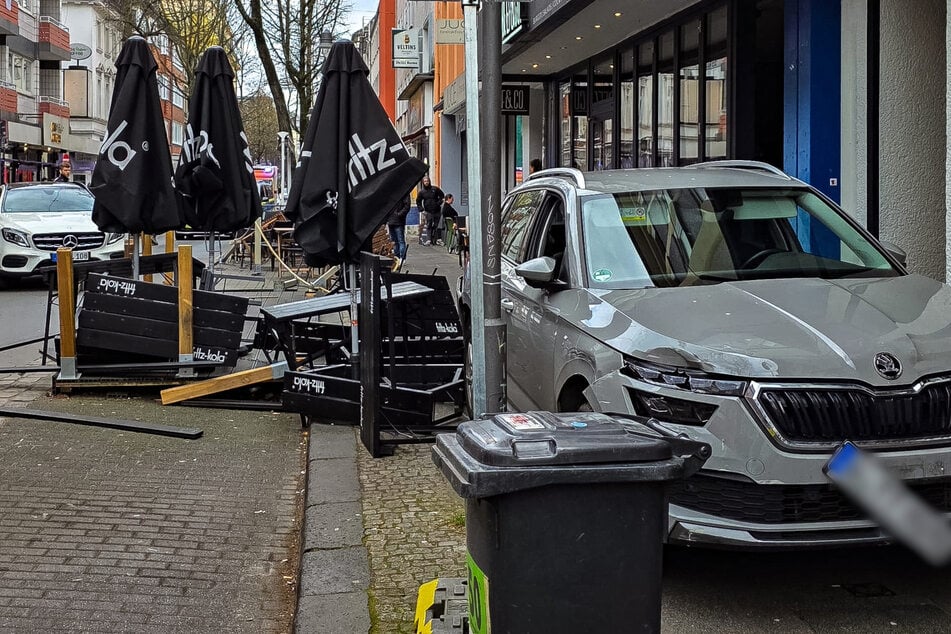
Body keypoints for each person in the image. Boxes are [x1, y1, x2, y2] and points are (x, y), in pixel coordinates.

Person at [415, 175, 444, 246]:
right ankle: (428, 240)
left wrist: (438, 203)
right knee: (429, 225)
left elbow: (442, 196)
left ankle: (436, 239)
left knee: (436, 226)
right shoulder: (422, 192)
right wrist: (421, 210)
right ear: (423, 182)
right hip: (428, 211)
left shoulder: (435, 189)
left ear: (429, 181)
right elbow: (418, 201)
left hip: (437, 210)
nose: (426, 182)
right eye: (425, 181)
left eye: (427, 181)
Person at [386, 193, 410, 271]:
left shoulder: (404, 192)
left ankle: (401, 258)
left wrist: (399, 214)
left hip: (398, 221)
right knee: (394, 241)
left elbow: (407, 206)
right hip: (391, 221)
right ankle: (397, 258)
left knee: (400, 240)